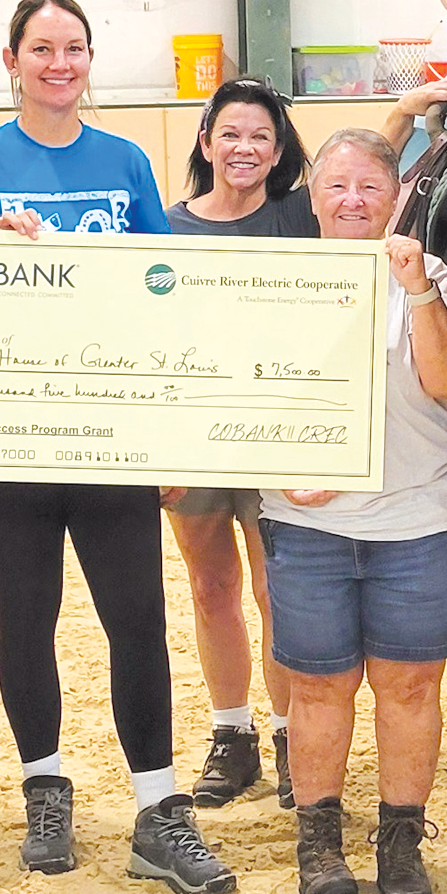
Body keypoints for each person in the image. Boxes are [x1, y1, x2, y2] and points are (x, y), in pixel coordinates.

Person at [0, 0, 237, 894]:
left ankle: (159, 809)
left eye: (74, 48)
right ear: (12, 61)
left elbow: (160, 289)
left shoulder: (125, 160)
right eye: (42, 48)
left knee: (136, 616)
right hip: (14, 439)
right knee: (26, 614)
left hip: (110, 436)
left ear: (89, 60)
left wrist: (170, 433)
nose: (59, 63)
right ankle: (45, 789)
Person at [267, 129, 447, 894]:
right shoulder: (275, 285)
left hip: (417, 521)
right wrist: (277, 470)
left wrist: (418, 288)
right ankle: (320, 842)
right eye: (337, 186)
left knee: (411, 685)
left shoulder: (435, 280)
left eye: (370, 187)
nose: (354, 200)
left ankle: (400, 839)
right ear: (314, 200)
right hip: (306, 526)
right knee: (318, 687)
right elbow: (240, 400)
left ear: (395, 198)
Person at [164, 76, 314, 809]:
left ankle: (289, 734)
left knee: (273, 588)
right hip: (192, 436)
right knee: (210, 586)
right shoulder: (167, 227)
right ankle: (232, 734)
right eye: (230, 133)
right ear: (205, 142)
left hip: (274, 434)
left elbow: (369, 171)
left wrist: (409, 109)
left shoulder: (298, 217)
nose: (244, 147)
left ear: (278, 151)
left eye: (260, 136)